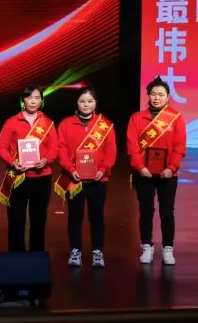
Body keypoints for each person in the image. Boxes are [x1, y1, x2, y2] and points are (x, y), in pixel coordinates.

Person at [127, 76, 187, 266]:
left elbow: (179, 147)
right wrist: (140, 167)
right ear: (148, 95)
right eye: (153, 94)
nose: (156, 98)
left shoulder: (176, 118)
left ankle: (168, 248)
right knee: (146, 211)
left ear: (168, 97)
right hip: (143, 174)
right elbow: (132, 147)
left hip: (167, 174)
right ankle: (147, 246)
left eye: (161, 95)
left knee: (167, 212)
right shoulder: (137, 118)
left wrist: (172, 168)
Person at [54, 86, 116, 268]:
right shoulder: (66, 124)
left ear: (96, 103)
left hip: (98, 180)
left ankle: (97, 251)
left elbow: (111, 151)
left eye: (90, 101)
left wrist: (103, 169)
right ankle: (75, 250)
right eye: (82, 101)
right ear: (76, 103)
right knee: (75, 216)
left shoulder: (105, 125)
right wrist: (69, 168)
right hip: (74, 180)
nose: (86, 105)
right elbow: (61, 149)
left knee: (97, 217)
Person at [0, 85, 57, 252]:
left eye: (37, 98)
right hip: (18, 176)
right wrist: (12, 162)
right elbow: (1, 146)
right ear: (23, 100)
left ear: (41, 101)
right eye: (29, 97)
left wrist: (46, 160)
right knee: (16, 218)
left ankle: (37, 255)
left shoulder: (48, 123)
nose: (33, 101)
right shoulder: (12, 122)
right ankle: (16, 255)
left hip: (42, 176)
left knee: (39, 218)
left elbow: (54, 148)